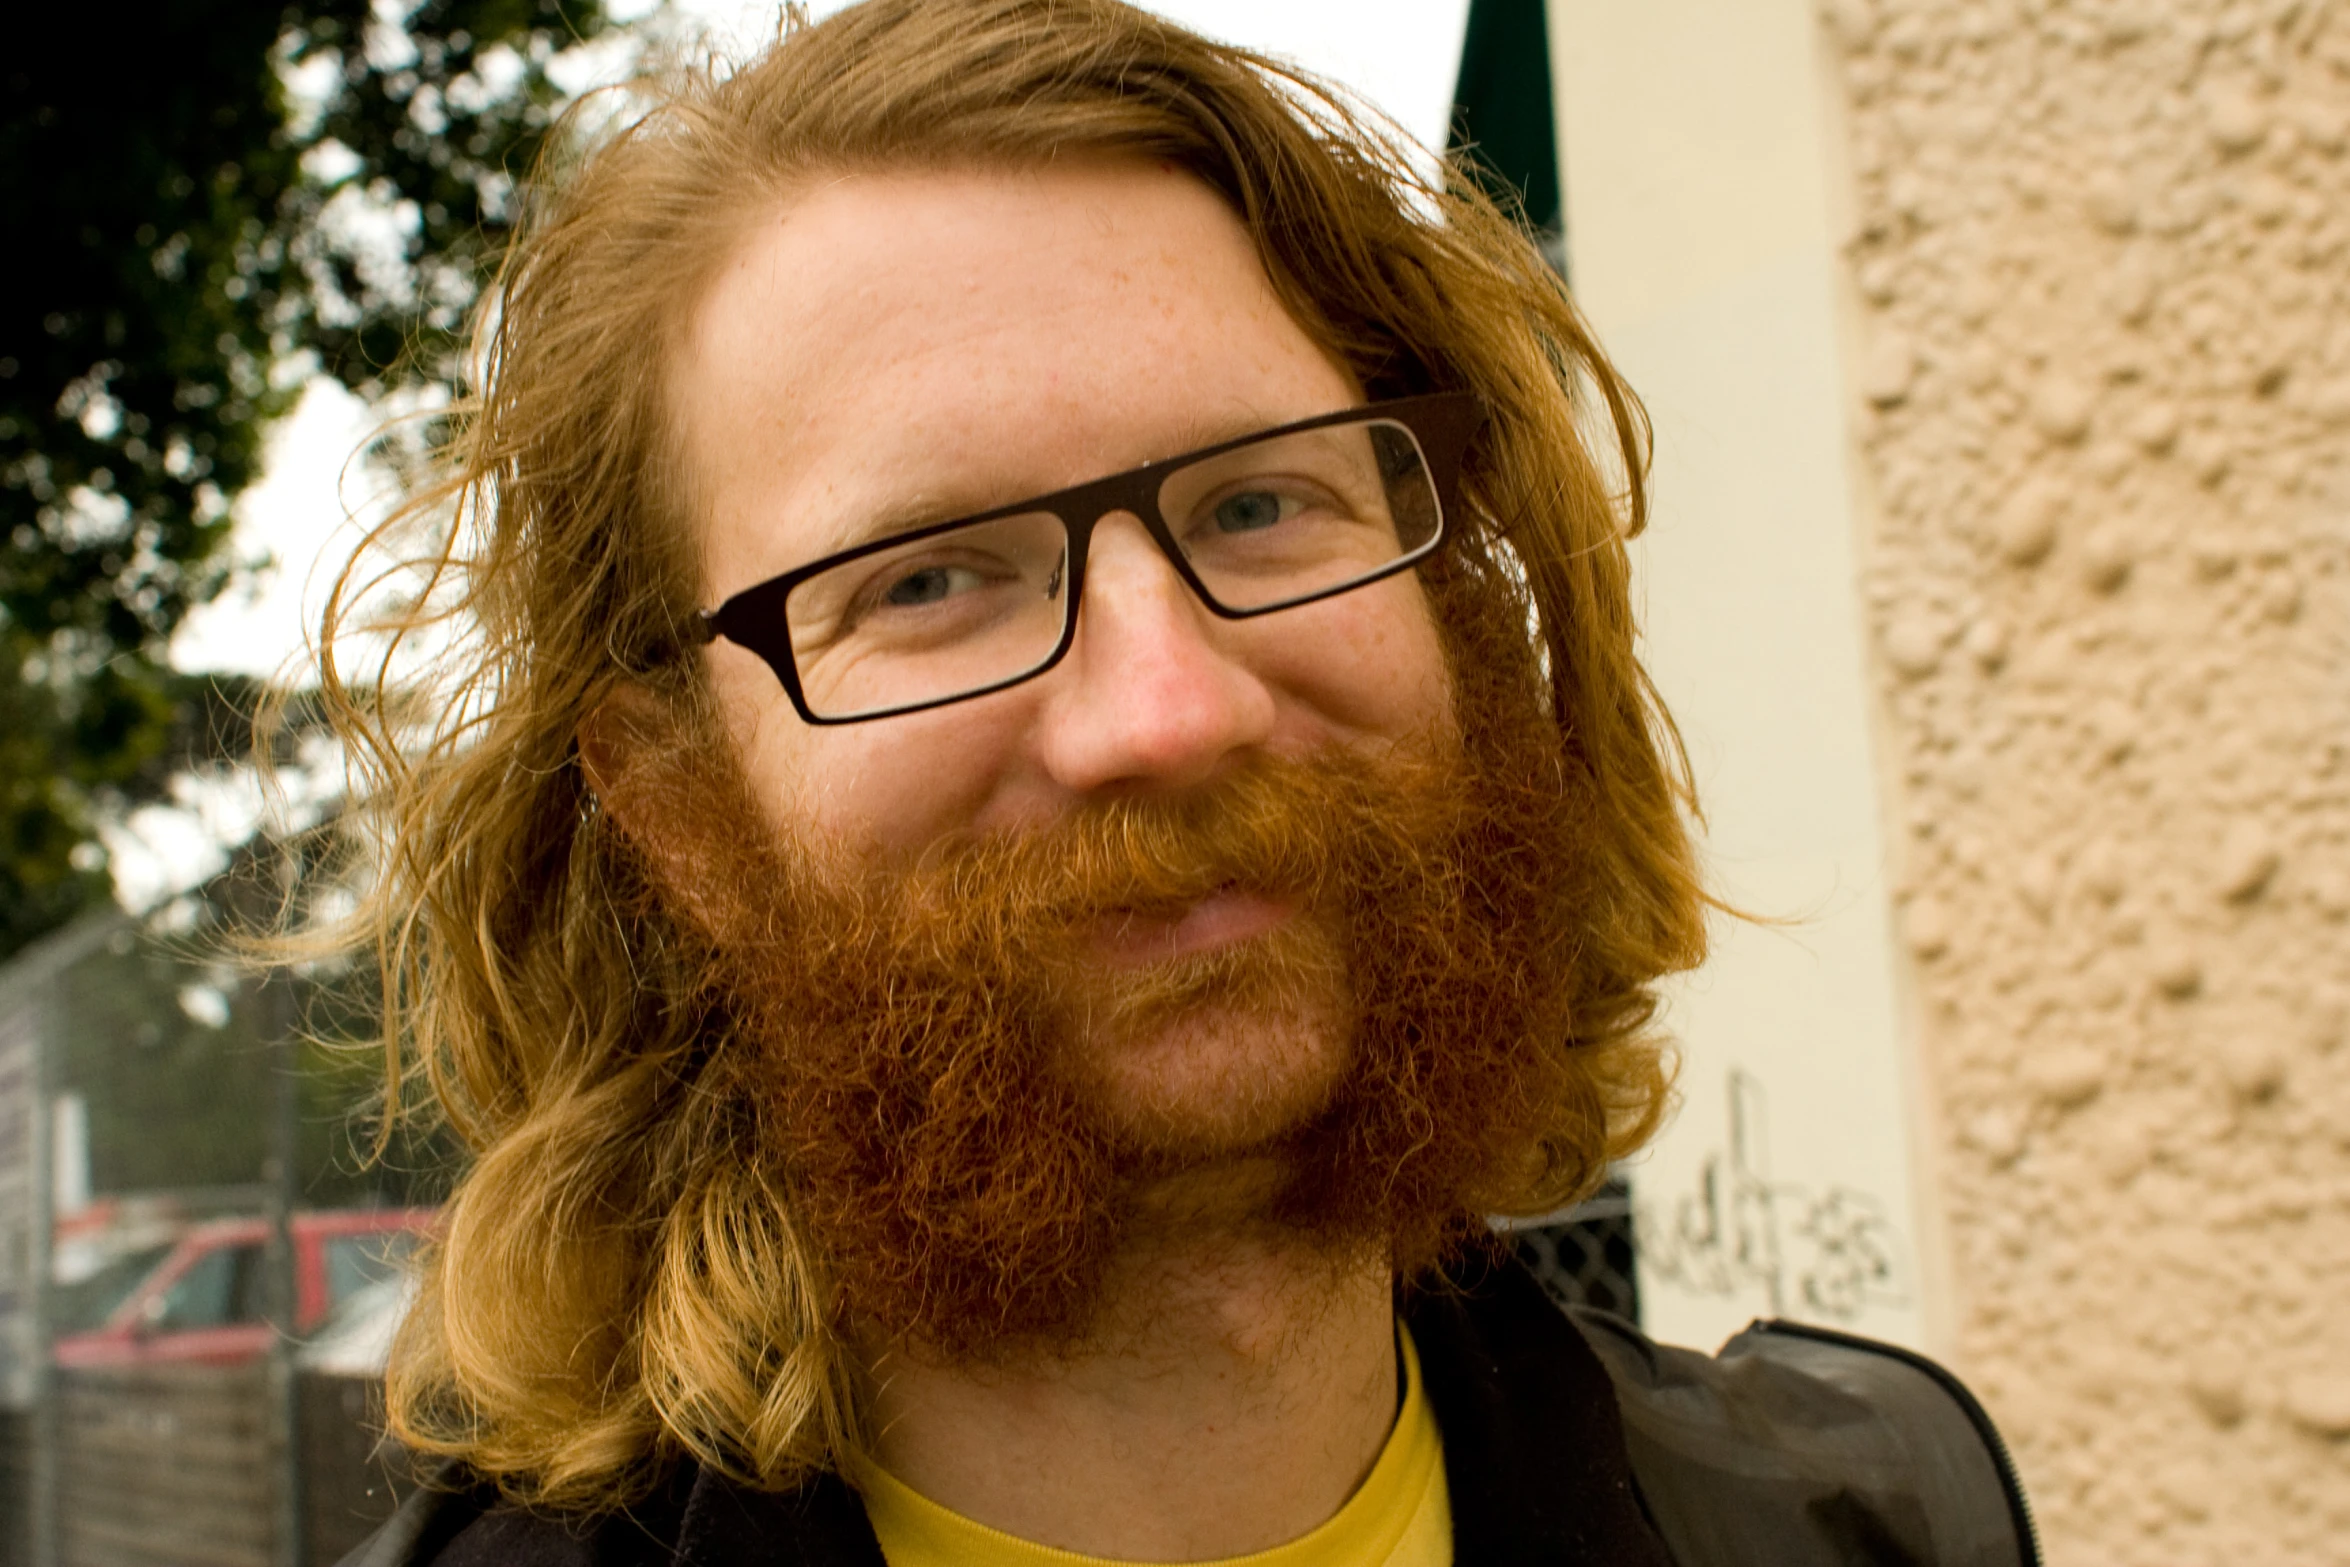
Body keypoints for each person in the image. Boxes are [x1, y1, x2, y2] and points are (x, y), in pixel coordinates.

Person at [324, 2, 2037, 1563]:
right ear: (680, 815)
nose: (1166, 710)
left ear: (1454, 606)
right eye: (927, 581)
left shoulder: (1877, 1518)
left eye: (1259, 504)